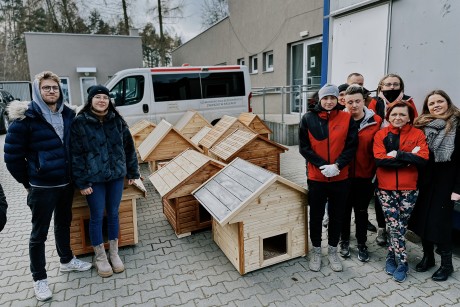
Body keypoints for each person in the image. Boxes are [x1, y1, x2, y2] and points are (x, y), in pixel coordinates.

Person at [4, 71, 92, 302]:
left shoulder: (68, 114)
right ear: (37, 91)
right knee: (38, 234)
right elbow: (12, 158)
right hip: (42, 187)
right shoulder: (25, 119)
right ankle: (39, 279)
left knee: (63, 224)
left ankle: (66, 261)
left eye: (55, 87)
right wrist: (28, 182)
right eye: (46, 88)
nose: (51, 91)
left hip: (66, 184)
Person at [70, 85, 140, 278]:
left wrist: (133, 172)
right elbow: (75, 155)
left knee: (114, 213)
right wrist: (82, 183)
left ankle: (114, 254)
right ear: (90, 100)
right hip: (94, 180)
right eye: (98, 97)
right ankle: (100, 257)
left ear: (109, 101)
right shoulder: (80, 123)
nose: (102, 100)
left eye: (105, 97)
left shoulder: (117, 120)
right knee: (97, 215)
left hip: (116, 176)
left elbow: (129, 148)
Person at [299, 84, 358, 272]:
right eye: (325, 98)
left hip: (341, 178)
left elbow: (351, 146)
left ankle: (332, 251)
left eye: (332, 98)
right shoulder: (308, 118)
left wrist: (337, 166)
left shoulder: (347, 118)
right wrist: (322, 166)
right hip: (317, 177)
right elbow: (304, 148)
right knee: (315, 215)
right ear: (319, 99)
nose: (329, 101)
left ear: (337, 99)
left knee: (337, 216)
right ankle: (317, 250)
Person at [373, 101, 429, 283]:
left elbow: (423, 159)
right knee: (395, 225)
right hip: (385, 189)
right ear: (388, 116)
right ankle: (402, 261)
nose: (398, 117)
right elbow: (380, 160)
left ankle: (391, 255)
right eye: (394, 114)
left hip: (409, 189)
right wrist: (408, 158)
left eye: (402, 114)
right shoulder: (381, 134)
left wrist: (397, 154)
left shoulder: (418, 134)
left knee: (399, 226)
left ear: (409, 117)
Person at [409, 90, 460, 281]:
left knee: (441, 223)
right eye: (432, 103)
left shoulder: (457, 125)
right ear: (427, 107)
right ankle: (428, 257)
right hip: (425, 182)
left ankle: (447, 265)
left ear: (448, 102)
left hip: (446, 184)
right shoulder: (423, 125)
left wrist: (457, 188)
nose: (436, 105)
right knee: (422, 220)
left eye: (440, 101)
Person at [339, 85, 382, 262]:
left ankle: (362, 243)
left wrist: (375, 174)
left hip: (365, 176)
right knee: (344, 210)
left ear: (364, 101)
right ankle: (344, 241)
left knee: (362, 212)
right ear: (345, 103)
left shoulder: (377, 121)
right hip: (343, 176)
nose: (354, 105)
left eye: (357, 101)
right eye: (350, 102)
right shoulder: (339, 120)